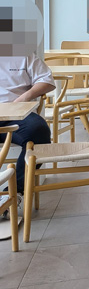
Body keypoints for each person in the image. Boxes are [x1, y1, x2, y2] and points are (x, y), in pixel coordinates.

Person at [0, 53, 54, 216]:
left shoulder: (24, 54)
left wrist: (23, 99)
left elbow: (47, 81)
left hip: (17, 113)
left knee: (39, 132)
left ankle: (12, 193)